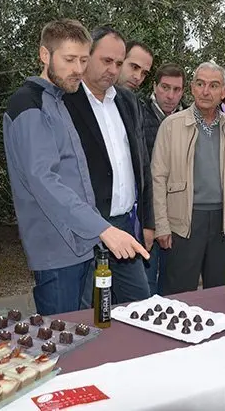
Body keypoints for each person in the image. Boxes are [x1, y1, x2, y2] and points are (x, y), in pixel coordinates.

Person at [3, 19, 148, 316]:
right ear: (45, 55)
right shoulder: (29, 104)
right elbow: (44, 180)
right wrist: (103, 228)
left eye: (83, 60)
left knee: (87, 331)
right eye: (70, 60)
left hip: (81, 242)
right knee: (61, 343)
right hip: (56, 250)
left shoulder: (57, 99)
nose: (78, 70)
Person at [64, 27, 154, 303]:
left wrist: (148, 221)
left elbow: (142, 166)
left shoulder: (127, 101)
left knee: (140, 305)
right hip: (85, 229)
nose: (113, 70)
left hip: (126, 226)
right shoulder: (65, 102)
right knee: (87, 312)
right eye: (106, 61)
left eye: (118, 63)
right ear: (87, 56)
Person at [151, 61, 225, 294]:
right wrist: (162, 225)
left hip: (224, 223)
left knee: (221, 293)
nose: (206, 91)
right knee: (178, 294)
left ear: (224, 92)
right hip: (184, 222)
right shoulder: (171, 125)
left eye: (214, 85)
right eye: (200, 84)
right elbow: (158, 177)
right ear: (193, 88)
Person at [139, 63, 186, 295]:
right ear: (154, 87)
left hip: (178, 215)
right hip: (147, 213)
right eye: (165, 87)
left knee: (172, 284)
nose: (170, 95)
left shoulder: (189, 120)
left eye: (177, 89)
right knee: (145, 285)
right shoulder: (138, 114)